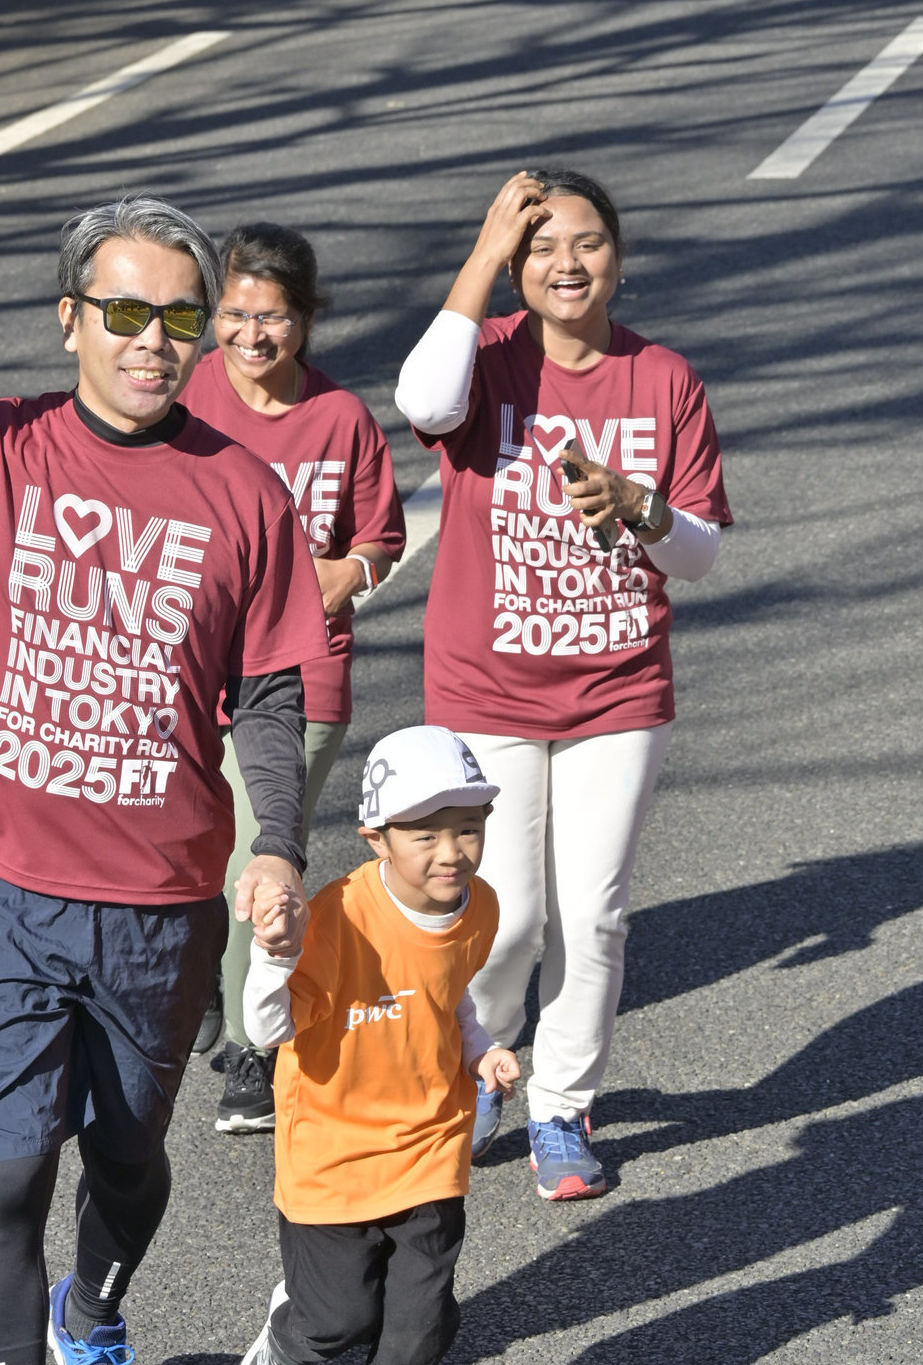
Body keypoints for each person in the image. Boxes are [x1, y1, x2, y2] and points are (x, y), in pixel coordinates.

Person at [0, 142, 330, 1365]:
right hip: (1, 893)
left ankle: (92, 1309)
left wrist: (280, 848)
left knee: (129, 1159)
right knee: (8, 1173)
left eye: (178, 316)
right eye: (125, 312)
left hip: (159, 902)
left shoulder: (245, 494)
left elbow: (271, 691)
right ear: (70, 320)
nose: (153, 341)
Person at [393, 169, 733, 1200]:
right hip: (485, 688)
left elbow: (699, 555)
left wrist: (639, 505)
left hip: (617, 694)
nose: (567, 263)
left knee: (593, 918)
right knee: (505, 916)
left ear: (618, 259)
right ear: (515, 266)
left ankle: (561, 1105)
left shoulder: (663, 378)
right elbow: (421, 402)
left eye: (586, 242)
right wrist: (483, 254)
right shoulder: (485, 358)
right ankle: (482, 1065)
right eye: (541, 246)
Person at [180, 222, 405, 1133]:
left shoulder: (340, 418)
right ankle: (206, 972)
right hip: (188, 664)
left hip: (304, 673)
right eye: (233, 314)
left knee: (254, 854)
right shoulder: (184, 398)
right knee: (188, 845)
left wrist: (345, 575)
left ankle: (253, 1045)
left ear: (305, 320)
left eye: (271, 317)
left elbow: (380, 539)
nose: (250, 335)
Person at [239, 725, 519, 1365]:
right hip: (332, 1152)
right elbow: (266, 1030)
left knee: (417, 1334)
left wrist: (480, 1050)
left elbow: (447, 996)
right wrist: (273, 955)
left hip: (430, 1142)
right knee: (339, 1321)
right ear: (376, 839)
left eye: (468, 829)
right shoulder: (336, 919)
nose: (451, 853)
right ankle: (289, 1330)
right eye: (425, 836)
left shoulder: (481, 907)